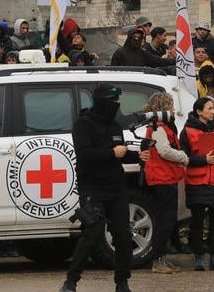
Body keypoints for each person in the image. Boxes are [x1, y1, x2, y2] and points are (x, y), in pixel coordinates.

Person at [60, 84, 148, 292]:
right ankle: (71, 282)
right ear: (103, 102)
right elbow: (85, 155)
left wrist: (138, 155)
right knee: (93, 233)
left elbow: (121, 152)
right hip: (92, 188)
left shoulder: (115, 126)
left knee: (124, 236)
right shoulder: (83, 125)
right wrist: (112, 153)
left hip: (116, 188)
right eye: (114, 102)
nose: (117, 105)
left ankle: (122, 282)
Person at [180, 97, 214, 271]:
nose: (212, 111)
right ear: (199, 111)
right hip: (198, 180)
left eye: (213, 108)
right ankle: (199, 256)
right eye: (209, 108)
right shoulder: (187, 131)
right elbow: (183, 158)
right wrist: (204, 159)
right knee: (197, 221)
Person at [141, 92, 187, 275]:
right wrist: (184, 157)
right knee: (165, 221)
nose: (173, 108)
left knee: (166, 220)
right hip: (163, 177)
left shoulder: (160, 126)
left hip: (166, 176)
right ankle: (158, 260)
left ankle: (162, 258)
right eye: (170, 104)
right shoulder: (159, 127)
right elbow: (164, 151)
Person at [111, 27, 175, 70]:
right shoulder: (119, 53)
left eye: (139, 37)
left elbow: (158, 61)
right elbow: (113, 71)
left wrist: (176, 61)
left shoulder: (142, 53)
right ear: (130, 38)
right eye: (135, 37)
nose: (137, 39)